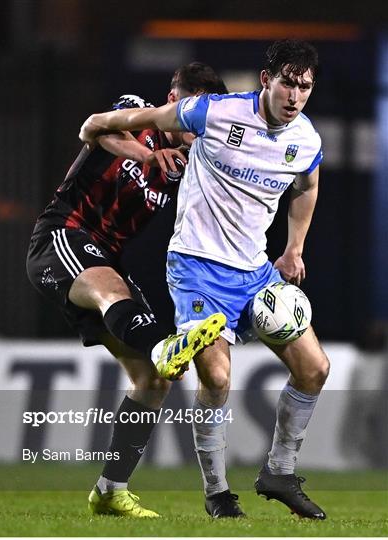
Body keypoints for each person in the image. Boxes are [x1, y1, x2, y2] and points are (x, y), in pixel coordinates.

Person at [80, 40, 330, 520]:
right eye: (287, 82)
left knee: (315, 369)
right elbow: (147, 120)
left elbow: (308, 184)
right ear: (266, 80)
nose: (295, 95)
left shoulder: (307, 139)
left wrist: (294, 248)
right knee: (215, 377)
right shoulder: (214, 112)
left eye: (305, 86)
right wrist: (100, 126)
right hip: (197, 266)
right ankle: (218, 495)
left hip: (256, 271)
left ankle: (278, 472)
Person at [26, 62, 228, 518]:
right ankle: (165, 345)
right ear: (176, 103)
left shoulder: (188, 161)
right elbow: (97, 132)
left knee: (152, 379)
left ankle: (110, 490)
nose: (199, 130)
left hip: (105, 257)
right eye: (195, 115)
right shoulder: (138, 113)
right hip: (65, 235)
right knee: (116, 298)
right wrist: (143, 153)